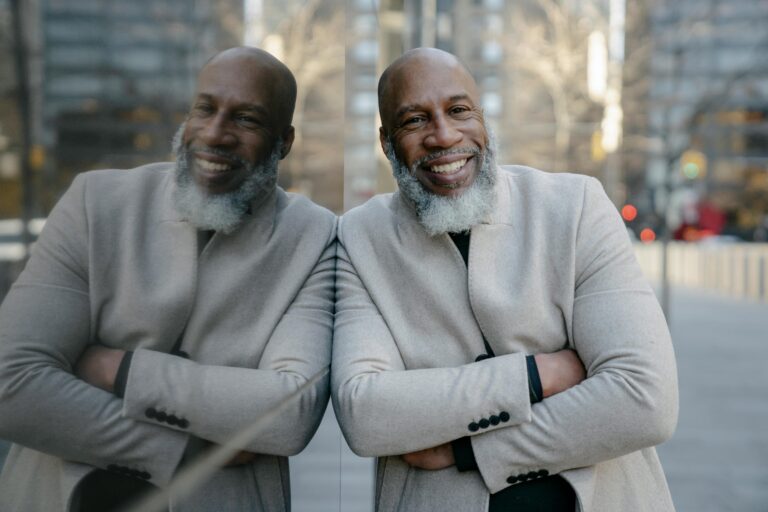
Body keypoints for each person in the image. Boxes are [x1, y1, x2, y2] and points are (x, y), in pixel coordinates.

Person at [332, 47, 678, 511]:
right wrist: (538, 375)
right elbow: (366, 414)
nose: (443, 135)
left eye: (459, 111)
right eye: (414, 120)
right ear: (385, 141)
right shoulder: (360, 235)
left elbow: (645, 401)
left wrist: (467, 450)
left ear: (483, 119)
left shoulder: (576, 207)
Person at [0, 47, 336, 511]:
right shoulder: (95, 203)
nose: (216, 134)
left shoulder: (313, 234)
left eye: (247, 119)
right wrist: (181, 451)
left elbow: (290, 414)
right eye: (206, 109)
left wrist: (117, 369)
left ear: (284, 142)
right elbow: (11, 385)